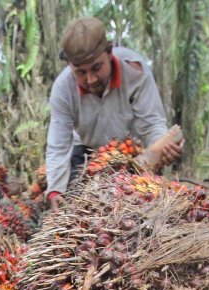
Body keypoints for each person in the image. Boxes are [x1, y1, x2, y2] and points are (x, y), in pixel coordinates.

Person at [45, 17, 183, 211]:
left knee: (143, 209)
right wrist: (55, 190)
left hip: (132, 155)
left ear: (109, 53)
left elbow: (152, 123)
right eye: (80, 72)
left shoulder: (135, 73)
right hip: (88, 156)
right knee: (81, 208)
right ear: (69, 66)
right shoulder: (63, 89)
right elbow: (58, 146)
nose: (91, 79)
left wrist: (162, 150)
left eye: (96, 67)